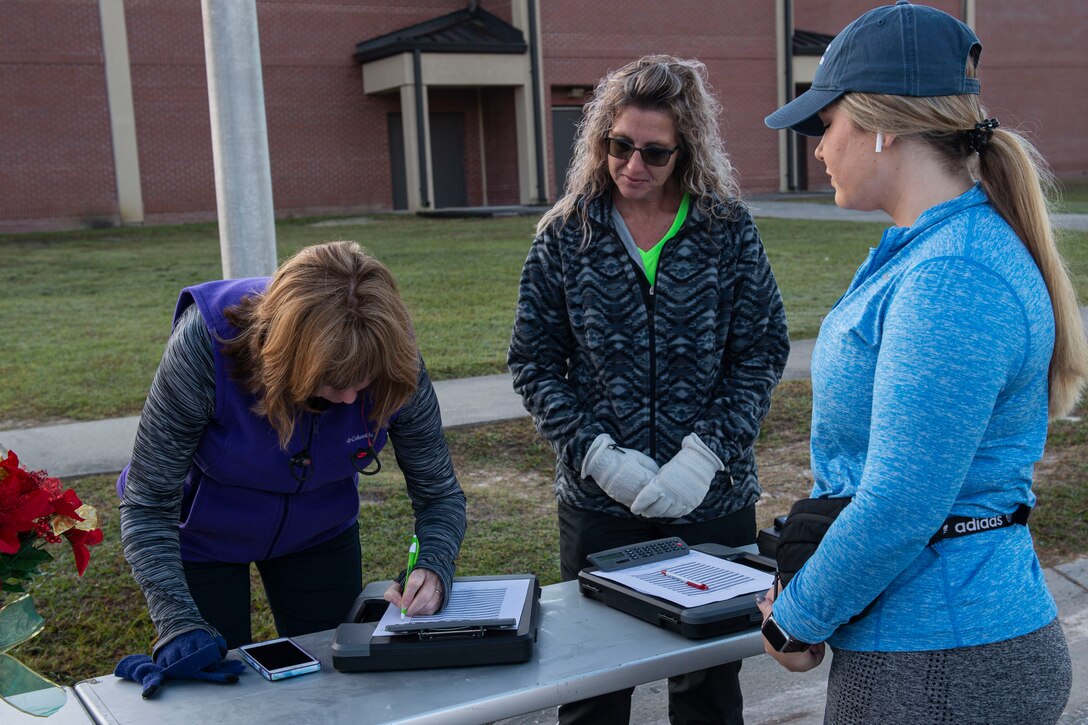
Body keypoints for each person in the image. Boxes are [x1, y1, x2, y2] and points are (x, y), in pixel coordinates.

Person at [759, 2, 1087, 722]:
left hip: (940, 662)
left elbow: (903, 502)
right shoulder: (935, 251)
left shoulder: (954, 274)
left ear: (880, 126)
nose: (817, 146)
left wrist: (795, 619)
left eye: (826, 121)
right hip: (939, 649)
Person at [509, 55, 789, 724]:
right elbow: (533, 362)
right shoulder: (564, 237)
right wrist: (598, 455)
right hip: (601, 505)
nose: (632, 165)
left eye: (655, 153)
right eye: (619, 145)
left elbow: (761, 348)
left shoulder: (726, 231)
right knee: (596, 687)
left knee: (708, 689)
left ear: (685, 150)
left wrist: (705, 455)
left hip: (711, 499)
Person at [114, 240, 467, 698]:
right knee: (216, 690)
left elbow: (439, 493)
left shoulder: (392, 357)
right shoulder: (205, 343)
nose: (347, 399)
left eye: (363, 384)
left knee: (336, 682)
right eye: (332, 382)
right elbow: (146, 503)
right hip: (202, 538)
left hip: (319, 533)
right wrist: (177, 621)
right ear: (284, 359)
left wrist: (435, 565)